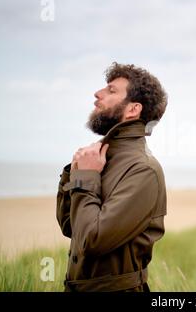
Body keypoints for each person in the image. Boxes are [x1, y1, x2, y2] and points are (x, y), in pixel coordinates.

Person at [56, 62, 168, 292]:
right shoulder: (102, 157)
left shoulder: (143, 169)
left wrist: (85, 177)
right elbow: (71, 228)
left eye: (111, 90)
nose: (97, 94)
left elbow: (92, 241)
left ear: (133, 109)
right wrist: (75, 172)